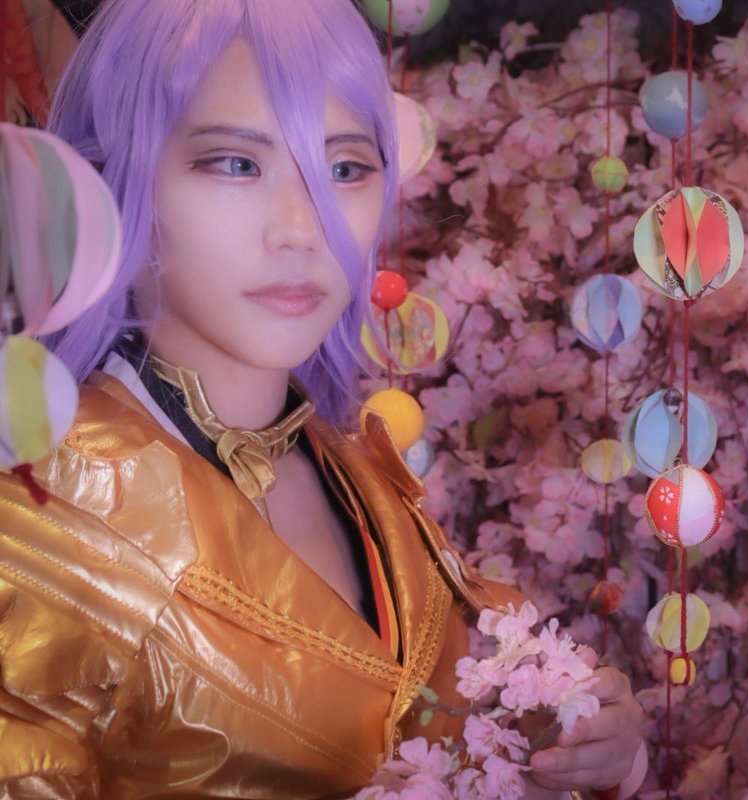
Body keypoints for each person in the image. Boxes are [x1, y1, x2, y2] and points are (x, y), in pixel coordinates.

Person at [0, 0, 645, 796]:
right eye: (235, 164)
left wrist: (590, 745)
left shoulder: (361, 474)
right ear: (112, 179)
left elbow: (469, 707)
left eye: (344, 169)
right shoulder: (34, 520)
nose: (302, 229)